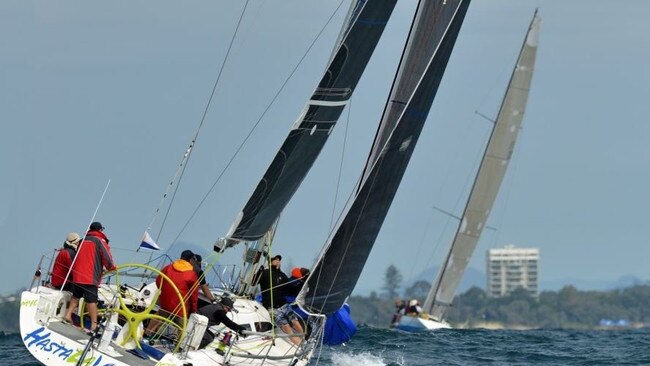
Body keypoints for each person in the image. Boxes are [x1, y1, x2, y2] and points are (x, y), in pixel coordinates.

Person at [64, 222, 115, 332]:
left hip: (78, 275)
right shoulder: (99, 240)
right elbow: (106, 256)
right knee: (91, 301)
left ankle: (68, 315)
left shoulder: (82, 240)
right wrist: (111, 267)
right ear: (100, 230)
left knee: (76, 296)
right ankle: (93, 325)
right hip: (90, 276)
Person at [147, 249, 199, 336]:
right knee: (182, 329)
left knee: (158, 317)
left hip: (165, 304)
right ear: (190, 260)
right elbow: (194, 295)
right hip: (180, 308)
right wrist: (193, 310)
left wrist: (166, 292)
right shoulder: (192, 274)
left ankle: (146, 334)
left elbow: (158, 281)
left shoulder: (168, 267)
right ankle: (179, 345)